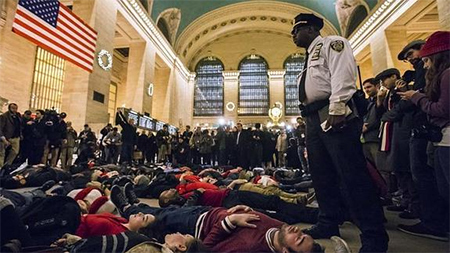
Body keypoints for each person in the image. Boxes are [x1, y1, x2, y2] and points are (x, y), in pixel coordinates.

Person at [291, 13, 388, 251]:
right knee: (321, 174)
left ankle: (374, 236)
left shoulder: (331, 43)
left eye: (297, 30)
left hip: (332, 112)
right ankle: (329, 221)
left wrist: (337, 106)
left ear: (311, 28)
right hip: (313, 117)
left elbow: (343, 74)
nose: (292, 35)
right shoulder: (307, 58)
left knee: (351, 174)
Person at [398, 31, 450, 240]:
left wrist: (417, 97)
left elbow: (443, 110)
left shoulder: (447, 75)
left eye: (427, 60)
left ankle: (436, 224)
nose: (424, 65)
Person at [0, 103, 21, 168]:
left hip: (15, 137)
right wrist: (3, 138)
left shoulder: (18, 116)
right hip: (6, 137)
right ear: (9, 108)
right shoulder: (4, 116)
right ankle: (1, 167)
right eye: (13, 108)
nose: (14, 110)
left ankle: (7, 165)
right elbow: (0, 128)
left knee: (15, 152)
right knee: (1, 153)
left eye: (15, 108)